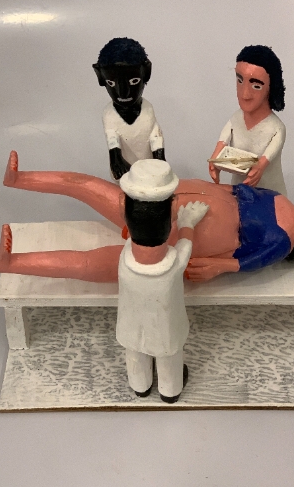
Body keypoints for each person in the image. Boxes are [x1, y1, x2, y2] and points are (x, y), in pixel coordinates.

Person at [0, 151, 294, 283]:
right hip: (158, 202)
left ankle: (11, 263)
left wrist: (211, 267)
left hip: (168, 243)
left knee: (90, 264)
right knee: (82, 183)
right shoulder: (280, 199)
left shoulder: (282, 242)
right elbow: (231, 191)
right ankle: (19, 178)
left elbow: (237, 264)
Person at [116, 159, 209, 403]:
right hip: (165, 329)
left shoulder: (124, 259)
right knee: (169, 358)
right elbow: (186, 241)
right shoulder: (174, 263)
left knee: (134, 354)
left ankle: (140, 386)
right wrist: (187, 221)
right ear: (172, 209)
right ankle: (170, 391)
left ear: (125, 209)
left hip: (131, 326)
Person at [209, 45, 287, 195]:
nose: (244, 94)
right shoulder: (235, 118)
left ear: (271, 87)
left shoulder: (276, 128)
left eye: (256, 86)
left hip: (269, 193)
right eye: (239, 80)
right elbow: (222, 143)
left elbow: (265, 160)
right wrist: (215, 161)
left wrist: (259, 167)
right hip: (240, 191)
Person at [92, 37, 165, 181]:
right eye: (111, 83)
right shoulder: (109, 114)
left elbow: (155, 134)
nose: (123, 93)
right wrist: (116, 159)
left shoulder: (148, 110)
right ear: (100, 76)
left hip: (150, 172)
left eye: (134, 81)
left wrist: (160, 159)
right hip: (125, 175)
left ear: (146, 72)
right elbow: (112, 138)